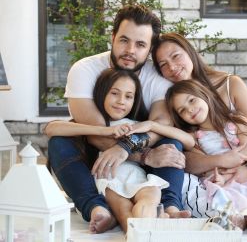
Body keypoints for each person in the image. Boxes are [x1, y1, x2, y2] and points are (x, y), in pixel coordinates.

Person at [47, 5, 189, 234]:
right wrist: (145, 156)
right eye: (124, 40)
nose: (130, 50)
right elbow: (96, 132)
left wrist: (130, 148)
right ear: (113, 38)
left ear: (150, 48)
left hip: (138, 154)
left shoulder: (157, 78)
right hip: (95, 155)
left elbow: (161, 126)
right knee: (59, 144)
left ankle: (170, 206)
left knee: (171, 144)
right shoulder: (84, 69)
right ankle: (97, 207)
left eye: (140, 44)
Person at [45, 69, 194, 233]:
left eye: (128, 96)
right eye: (115, 93)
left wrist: (151, 125)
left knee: (150, 197)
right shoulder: (94, 123)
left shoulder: (137, 125)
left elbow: (188, 140)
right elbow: (51, 128)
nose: (121, 101)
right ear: (102, 94)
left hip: (137, 176)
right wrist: (105, 131)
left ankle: (154, 225)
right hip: (108, 177)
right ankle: (137, 235)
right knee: (123, 210)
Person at [151, 32, 247, 185]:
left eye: (175, 56)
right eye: (163, 65)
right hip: (210, 179)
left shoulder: (230, 84)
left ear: (190, 52)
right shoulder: (174, 103)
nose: (172, 67)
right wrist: (221, 162)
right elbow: (186, 155)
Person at [165, 79, 247, 233]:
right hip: (222, 180)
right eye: (182, 110)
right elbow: (205, 167)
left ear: (205, 95)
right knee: (228, 196)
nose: (190, 110)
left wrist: (242, 162)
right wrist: (222, 178)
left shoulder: (237, 122)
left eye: (192, 100)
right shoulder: (195, 138)